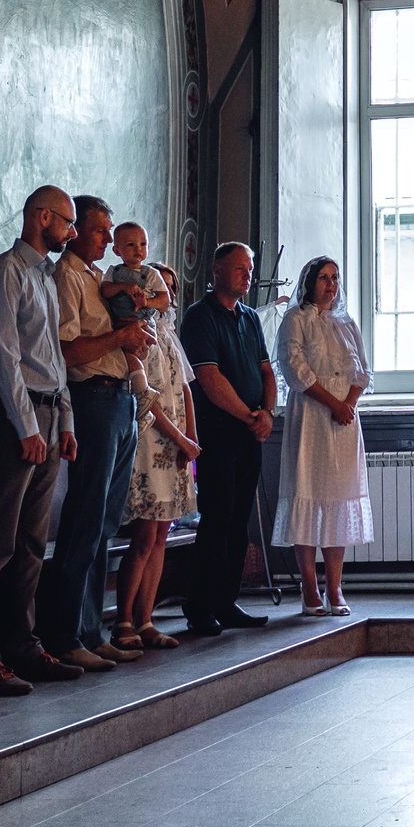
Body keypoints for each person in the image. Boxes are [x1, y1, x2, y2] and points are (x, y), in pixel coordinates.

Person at [0, 186, 83, 696]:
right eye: (67, 222)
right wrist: (27, 428)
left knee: (31, 542)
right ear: (41, 217)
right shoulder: (4, 272)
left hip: (48, 416)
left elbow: (54, 359)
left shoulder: (46, 278)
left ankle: (21, 646)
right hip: (15, 420)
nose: (71, 232)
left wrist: (64, 422)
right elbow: (3, 358)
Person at [43, 193, 155, 673]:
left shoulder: (98, 277)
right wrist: (120, 339)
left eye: (111, 231)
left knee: (107, 521)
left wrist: (134, 340)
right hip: (92, 400)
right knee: (85, 519)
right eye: (100, 230)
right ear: (74, 230)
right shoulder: (66, 276)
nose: (109, 240)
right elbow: (66, 351)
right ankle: (64, 634)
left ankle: (91, 630)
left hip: (121, 399)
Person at [180, 241, 277, 636]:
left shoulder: (251, 318)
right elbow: (209, 378)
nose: (247, 275)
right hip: (219, 432)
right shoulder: (200, 316)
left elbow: (267, 371)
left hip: (250, 432)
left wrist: (267, 413)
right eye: (240, 268)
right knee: (217, 519)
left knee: (239, 522)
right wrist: (248, 415)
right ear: (218, 270)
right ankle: (200, 605)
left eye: (250, 269)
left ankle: (226, 600)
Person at [111, 222, 199, 650]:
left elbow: (183, 388)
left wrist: (192, 440)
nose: (160, 294)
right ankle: (123, 620)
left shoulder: (169, 336)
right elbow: (146, 398)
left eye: (167, 288)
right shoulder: (139, 335)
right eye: (154, 286)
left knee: (163, 534)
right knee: (145, 534)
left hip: (179, 443)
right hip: (153, 440)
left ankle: (146, 619)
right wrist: (180, 440)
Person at [273, 256, 373, 616]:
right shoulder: (296, 319)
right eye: (323, 277)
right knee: (308, 495)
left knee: (338, 500)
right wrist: (332, 402)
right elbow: (294, 369)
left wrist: (347, 404)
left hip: (344, 422)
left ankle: (335, 587)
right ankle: (309, 588)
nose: (330, 283)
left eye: (335, 277)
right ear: (310, 281)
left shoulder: (346, 323)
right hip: (311, 418)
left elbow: (362, 370)